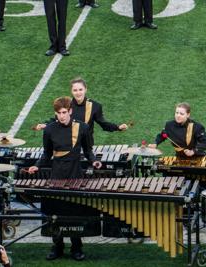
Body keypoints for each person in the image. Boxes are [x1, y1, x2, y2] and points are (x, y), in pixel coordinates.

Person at [28, 97, 102, 261]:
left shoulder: (81, 127)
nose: (61, 116)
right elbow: (47, 154)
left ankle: (77, 247)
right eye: (58, 113)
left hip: (75, 174)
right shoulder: (49, 130)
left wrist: (94, 160)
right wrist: (37, 166)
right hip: (57, 175)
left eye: (63, 112)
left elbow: (88, 150)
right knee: (56, 213)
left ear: (70, 111)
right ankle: (58, 246)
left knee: (75, 211)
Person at [35, 77, 128, 146]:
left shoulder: (95, 106)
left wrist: (118, 127)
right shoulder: (66, 105)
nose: (78, 93)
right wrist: (45, 125)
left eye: (80, 89)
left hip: (86, 144)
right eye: (75, 90)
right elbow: (57, 120)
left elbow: (103, 123)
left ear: (85, 89)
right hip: (68, 144)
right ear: (71, 91)